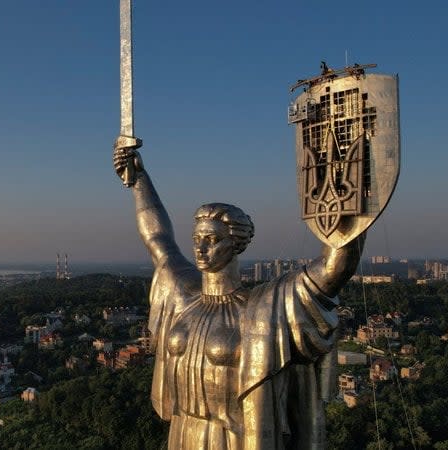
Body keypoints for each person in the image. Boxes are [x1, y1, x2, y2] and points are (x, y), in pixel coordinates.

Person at [113, 136, 364, 449]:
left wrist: (347, 182)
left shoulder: (264, 307)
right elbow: (157, 238)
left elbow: (334, 268)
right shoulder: (181, 293)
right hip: (183, 434)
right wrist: (138, 181)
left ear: (235, 244)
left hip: (235, 439)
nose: (201, 248)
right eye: (197, 239)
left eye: (212, 240)